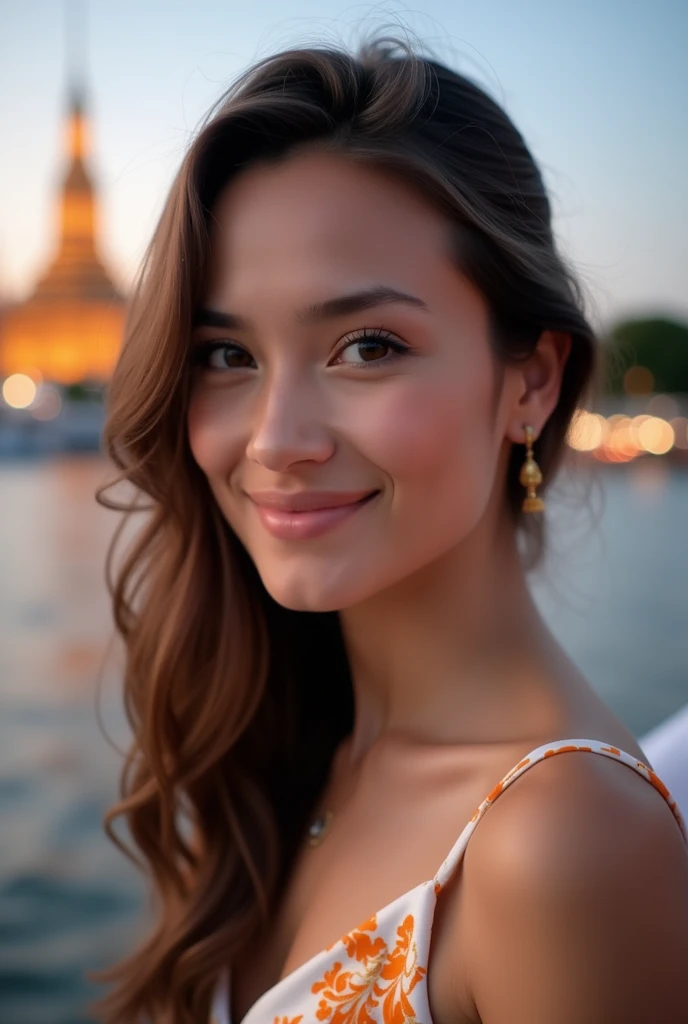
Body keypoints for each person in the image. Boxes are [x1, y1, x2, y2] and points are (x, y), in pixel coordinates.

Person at [93, 36, 688, 1024]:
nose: (276, 440)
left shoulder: (562, 846)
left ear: (530, 381)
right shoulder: (281, 746)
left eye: (366, 346)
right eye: (227, 353)